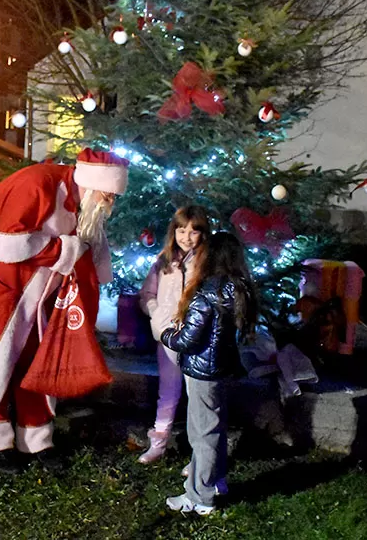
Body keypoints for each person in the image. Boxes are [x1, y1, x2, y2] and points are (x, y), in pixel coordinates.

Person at [0, 148, 129, 474]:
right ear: (92, 181)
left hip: (39, 291)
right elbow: (8, 243)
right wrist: (66, 250)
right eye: (108, 194)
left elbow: (88, 246)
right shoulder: (37, 184)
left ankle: (37, 438)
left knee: (37, 359)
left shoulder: (84, 201)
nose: (111, 203)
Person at [160, 232, 257, 516]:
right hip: (222, 368)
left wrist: (167, 335)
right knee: (215, 427)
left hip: (203, 371)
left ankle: (199, 497)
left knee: (202, 433)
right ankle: (216, 481)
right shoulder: (238, 289)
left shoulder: (206, 292)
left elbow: (188, 339)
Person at [136, 206, 211, 464]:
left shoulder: (206, 264)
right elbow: (146, 294)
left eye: (193, 231)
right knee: (168, 390)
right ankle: (158, 442)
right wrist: (157, 316)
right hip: (167, 337)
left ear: (203, 233)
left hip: (195, 341)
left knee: (197, 395)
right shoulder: (164, 261)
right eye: (181, 230)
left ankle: (199, 455)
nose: (186, 237)